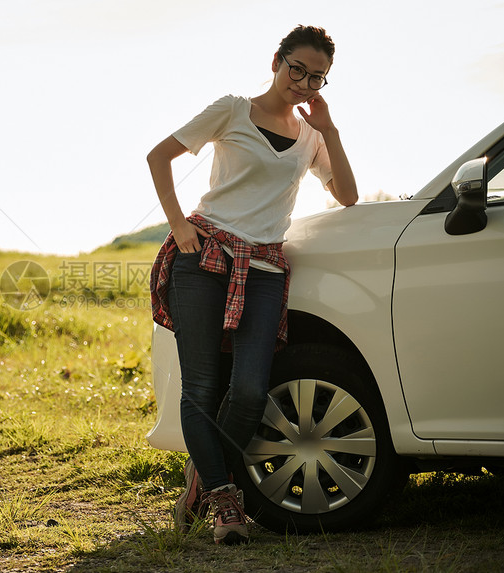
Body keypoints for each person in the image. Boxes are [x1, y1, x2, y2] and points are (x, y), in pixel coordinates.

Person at [147, 25, 357, 545]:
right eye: (298, 70)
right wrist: (178, 223)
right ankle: (225, 503)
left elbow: (348, 196)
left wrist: (329, 131)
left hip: (263, 267)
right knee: (199, 389)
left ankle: (204, 478)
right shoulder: (232, 110)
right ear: (276, 62)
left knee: (247, 391)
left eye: (319, 78)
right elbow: (159, 156)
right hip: (204, 257)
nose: (306, 84)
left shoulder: (310, 138)